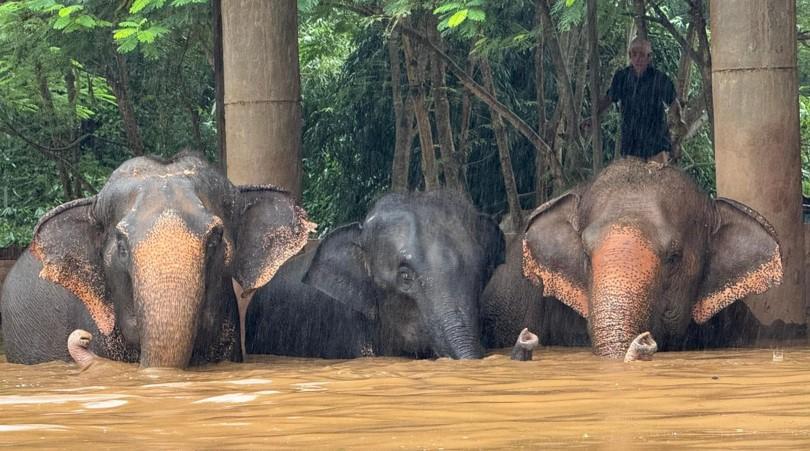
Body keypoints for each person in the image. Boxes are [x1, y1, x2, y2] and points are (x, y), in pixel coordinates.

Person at [583, 37, 681, 163]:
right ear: (629, 56)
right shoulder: (622, 78)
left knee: (658, 180)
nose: (637, 59)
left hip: (657, 144)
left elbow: (674, 103)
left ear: (649, 57)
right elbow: (609, 98)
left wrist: (676, 131)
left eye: (642, 54)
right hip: (631, 144)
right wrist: (593, 116)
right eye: (634, 54)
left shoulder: (660, 79)